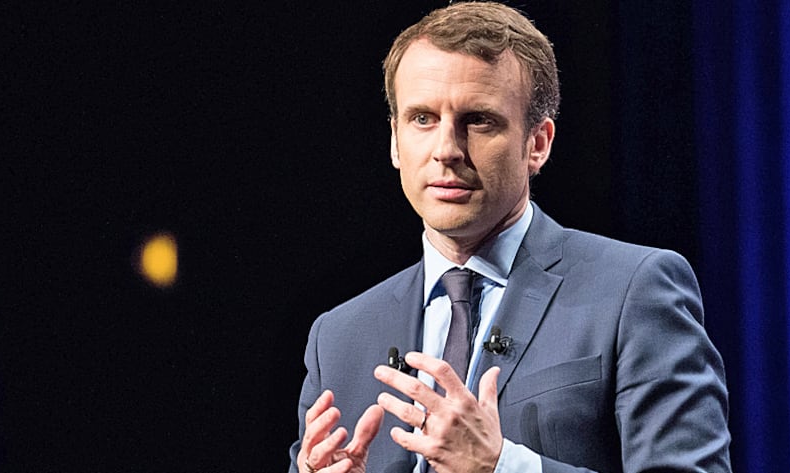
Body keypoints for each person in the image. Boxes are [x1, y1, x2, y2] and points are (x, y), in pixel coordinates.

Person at [289, 2, 731, 472]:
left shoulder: (634, 291)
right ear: (395, 140)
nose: (446, 150)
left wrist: (501, 466)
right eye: (422, 118)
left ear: (537, 143)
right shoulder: (338, 336)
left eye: (479, 120)